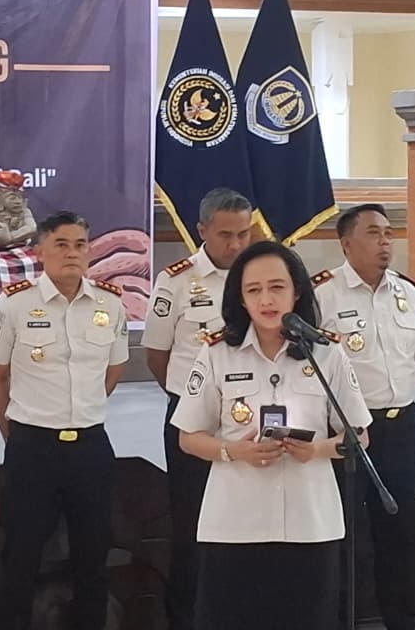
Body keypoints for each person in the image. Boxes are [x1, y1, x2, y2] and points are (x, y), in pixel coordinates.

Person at [171, 240, 373, 630]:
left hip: (310, 523)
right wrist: (234, 450)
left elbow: (358, 435)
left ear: (297, 292)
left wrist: (316, 449)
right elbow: (188, 437)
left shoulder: (326, 353)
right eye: (254, 289)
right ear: (241, 299)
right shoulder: (217, 354)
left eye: (277, 287)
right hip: (234, 523)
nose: (266, 299)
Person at [0, 210, 129, 630]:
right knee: (21, 558)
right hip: (33, 448)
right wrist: (17, 435)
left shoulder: (109, 304)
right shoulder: (14, 304)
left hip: (90, 447)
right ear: (39, 251)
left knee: (93, 558)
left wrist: (80, 410)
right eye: (61, 245)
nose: (72, 253)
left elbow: (113, 371)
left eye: (80, 245)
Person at [312, 203, 415, 630]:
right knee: (345, 534)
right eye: (373, 233)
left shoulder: (408, 294)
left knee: (400, 530)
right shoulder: (321, 295)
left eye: (388, 233)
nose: (385, 242)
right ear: (346, 243)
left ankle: (402, 621)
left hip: (400, 425)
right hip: (346, 431)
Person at [142, 187, 253, 630]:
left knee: (247, 525)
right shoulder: (176, 281)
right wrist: (191, 402)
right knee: (192, 526)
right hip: (193, 423)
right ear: (202, 230)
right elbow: (157, 355)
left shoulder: (260, 277)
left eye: (243, 234)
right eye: (225, 235)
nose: (236, 244)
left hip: (249, 423)